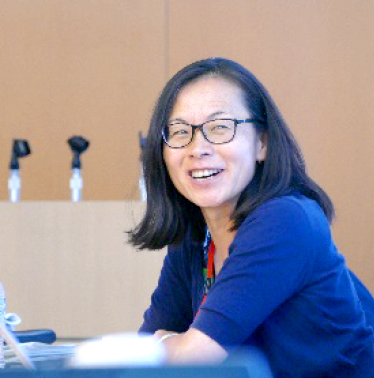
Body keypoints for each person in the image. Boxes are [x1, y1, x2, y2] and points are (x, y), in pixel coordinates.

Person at [129, 57, 374, 377]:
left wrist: (169, 344)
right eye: (179, 131)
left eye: (220, 127)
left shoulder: (286, 220)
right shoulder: (194, 235)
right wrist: (167, 344)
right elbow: (142, 353)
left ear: (262, 142)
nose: (197, 147)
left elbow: (195, 355)